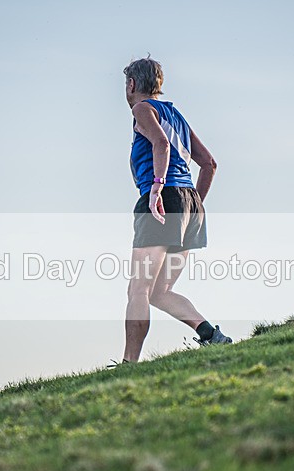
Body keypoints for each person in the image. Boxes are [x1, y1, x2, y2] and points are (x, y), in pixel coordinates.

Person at [112, 56, 232, 367]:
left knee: (138, 287)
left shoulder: (142, 109)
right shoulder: (175, 115)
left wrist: (156, 188)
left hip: (162, 200)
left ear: (132, 84)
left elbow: (161, 145)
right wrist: (195, 206)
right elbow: (209, 164)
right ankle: (210, 335)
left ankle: (129, 365)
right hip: (189, 202)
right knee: (159, 291)